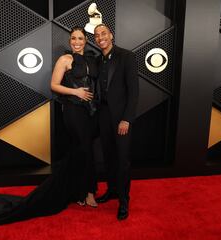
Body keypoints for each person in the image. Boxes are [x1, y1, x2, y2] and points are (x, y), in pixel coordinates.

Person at [0, 27, 98, 233]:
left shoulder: (90, 59)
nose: (76, 41)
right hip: (72, 111)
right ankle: (87, 192)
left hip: (89, 113)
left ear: (85, 41)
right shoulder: (65, 60)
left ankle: (80, 190)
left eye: (80, 38)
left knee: (84, 151)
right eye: (73, 38)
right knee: (83, 149)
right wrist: (75, 92)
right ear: (69, 41)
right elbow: (54, 85)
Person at [93, 24, 139, 220]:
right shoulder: (97, 60)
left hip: (121, 118)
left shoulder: (126, 56)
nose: (100, 37)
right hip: (103, 116)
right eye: (96, 35)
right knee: (109, 157)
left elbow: (133, 91)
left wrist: (126, 119)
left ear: (111, 35)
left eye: (103, 33)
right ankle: (112, 190)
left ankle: (124, 200)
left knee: (122, 160)